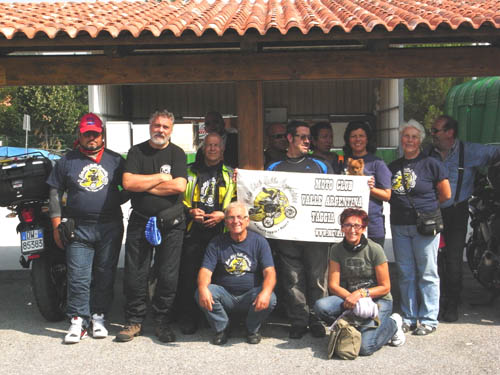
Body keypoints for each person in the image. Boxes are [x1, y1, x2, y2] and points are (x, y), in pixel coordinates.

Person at [47, 113, 127, 344]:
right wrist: (55, 225)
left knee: (105, 273)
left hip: (110, 226)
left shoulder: (115, 160)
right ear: (79, 135)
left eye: (95, 133)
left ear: (102, 134)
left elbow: (130, 185)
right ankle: (78, 319)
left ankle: (98, 315)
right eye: (86, 134)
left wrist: (113, 199)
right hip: (78, 228)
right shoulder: (66, 161)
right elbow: (54, 193)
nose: (91, 138)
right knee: (79, 275)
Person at [117, 109, 187, 343]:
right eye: (156, 125)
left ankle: (161, 321)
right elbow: (128, 182)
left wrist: (143, 183)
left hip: (172, 223)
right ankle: (134, 321)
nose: (160, 130)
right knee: (135, 273)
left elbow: (179, 187)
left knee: (167, 275)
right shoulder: (136, 152)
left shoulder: (177, 154)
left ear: (171, 129)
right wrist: (160, 177)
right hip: (140, 220)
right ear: (149, 126)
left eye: (165, 127)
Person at [428, 115, 500, 322]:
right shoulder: (428, 153)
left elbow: (495, 153)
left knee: (453, 259)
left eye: (436, 131)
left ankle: (452, 302)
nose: (432, 134)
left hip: (456, 212)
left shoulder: (468, 151)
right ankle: (436, 300)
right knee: (432, 258)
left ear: (450, 133)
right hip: (432, 212)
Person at [267, 120, 332, 339]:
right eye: (302, 137)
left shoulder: (320, 165)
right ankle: (298, 320)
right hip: (287, 234)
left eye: (309, 137)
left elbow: (336, 195)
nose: (307, 141)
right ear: (289, 138)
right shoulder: (273, 167)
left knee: (317, 280)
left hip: (316, 235)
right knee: (293, 279)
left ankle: (317, 319)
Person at [388, 119, 451, 336]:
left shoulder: (431, 164)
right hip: (399, 225)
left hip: (424, 226)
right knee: (405, 273)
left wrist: (427, 210)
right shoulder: (393, 166)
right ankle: (408, 316)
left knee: (427, 272)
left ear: (420, 140)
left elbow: (445, 194)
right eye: (406, 136)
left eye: (414, 137)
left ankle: (428, 319)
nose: (410, 140)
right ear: (401, 139)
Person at [314, 208, 405, 356]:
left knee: (364, 348)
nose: (352, 230)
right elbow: (333, 285)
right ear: (342, 228)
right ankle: (355, 326)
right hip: (351, 299)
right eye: (347, 225)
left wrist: (360, 294)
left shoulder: (375, 249)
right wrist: (352, 299)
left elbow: (385, 287)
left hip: (378, 300)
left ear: (363, 228)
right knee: (321, 306)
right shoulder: (336, 249)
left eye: (357, 226)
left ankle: (393, 324)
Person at [177, 132, 236, 334]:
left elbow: (239, 202)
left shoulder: (231, 174)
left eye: (216, 145)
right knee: (189, 276)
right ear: (203, 148)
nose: (212, 148)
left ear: (222, 149)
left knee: (220, 277)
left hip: (221, 234)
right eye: (208, 145)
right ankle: (189, 317)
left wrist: (224, 214)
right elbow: (177, 198)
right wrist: (190, 211)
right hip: (193, 232)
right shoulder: (189, 172)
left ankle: (217, 319)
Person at [195, 202, 277, 345]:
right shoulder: (217, 243)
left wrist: (266, 292)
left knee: (270, 297)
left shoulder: (259, 242)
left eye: (240, 217)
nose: (236, 221)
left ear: (247, 220)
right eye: (231, 218)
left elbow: (270, 272)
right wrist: (202, 288)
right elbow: (205, 271)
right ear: (225, 222)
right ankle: (222, 328)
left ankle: (251, 329)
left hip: (250, 296)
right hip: (225, 295)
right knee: (201, 292)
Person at [342, 121, 392, 247]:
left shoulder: (377, 163)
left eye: (361, 136)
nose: (357, 139)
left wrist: (368, 188)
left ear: (367, 139)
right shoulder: (343, 162)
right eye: (353, 136)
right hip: (347, 227)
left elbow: (387, 195)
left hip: (372, 226)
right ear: (348, 139)